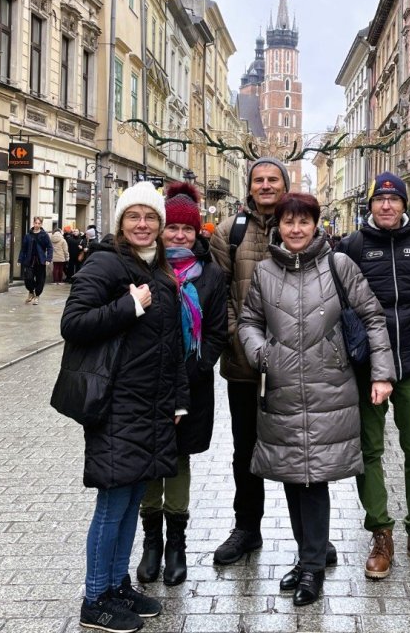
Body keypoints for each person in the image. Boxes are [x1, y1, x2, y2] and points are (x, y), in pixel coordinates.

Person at [239, 193, 395, 606]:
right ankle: (311, 553)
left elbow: (373, 318)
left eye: (303, 222)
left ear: (315, 225)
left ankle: (311, 567)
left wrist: (382, 372)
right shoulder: (264, 271)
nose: (295, 229)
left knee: (313, 478)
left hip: (330, 387)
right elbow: (249, 321)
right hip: (282, 387)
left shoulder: (338, 265)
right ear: (278, 226)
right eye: (288, 222)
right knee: (293, 475)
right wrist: (261, 353)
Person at [59, 182, 190, 633]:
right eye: (134, 216)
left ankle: (117, 585)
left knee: (133, 497)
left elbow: (171, 343)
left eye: (150, 217)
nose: (142, 224)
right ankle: (95, 598)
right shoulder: (107, 263)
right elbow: (72, 323)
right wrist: (127, 306)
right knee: (113, 504)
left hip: (150, 404)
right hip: (115, 404)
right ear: (120, 222)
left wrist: (179, 399)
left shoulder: (158, 269)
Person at [337, 171, 410, 579]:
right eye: (380, 200)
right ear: (370, 206)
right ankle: (381, 533)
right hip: (368, 369)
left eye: (394, 199)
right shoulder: (353, 246)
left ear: (405, 204)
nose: (386, 205)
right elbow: (342, 310)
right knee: (369, 453)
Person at [137, 182, 228, 587]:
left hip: (191, 383)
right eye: (172, 227)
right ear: (161, 229)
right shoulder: (144, 269)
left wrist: (197, 366)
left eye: (187, 229)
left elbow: (217, 332)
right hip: (145, 384)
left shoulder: (210, 275)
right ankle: (150, 544)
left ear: (197, 232)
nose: (179, 235)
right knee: (146, 458)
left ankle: (176, 545)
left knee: (178, 459)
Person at [209, 157, 299, 565]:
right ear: (249, 187)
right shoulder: (230, 232)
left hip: (297, 365)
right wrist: (242, 341)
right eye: (259, 180)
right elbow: (220, 295)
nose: (265, 185)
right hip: (245, 363)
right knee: (245, 449)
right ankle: (247, 528)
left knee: (297, 446)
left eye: (273, 179)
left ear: (285, 185)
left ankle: (309, 535)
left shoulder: (299, 227)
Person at [17, 216, 52, 305]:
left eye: (39, 223)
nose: (37, 225)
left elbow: (50, 247)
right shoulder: (28, 235)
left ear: (41, 224)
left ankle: (37, 296)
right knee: (28, 278)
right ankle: (31, 292)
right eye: (35, 223)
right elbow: (23, 248)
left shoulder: (44, 235)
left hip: (40, 261)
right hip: (29, 260)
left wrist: (48, 258)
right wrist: (20, 259)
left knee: (40, 279)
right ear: (33, 223)